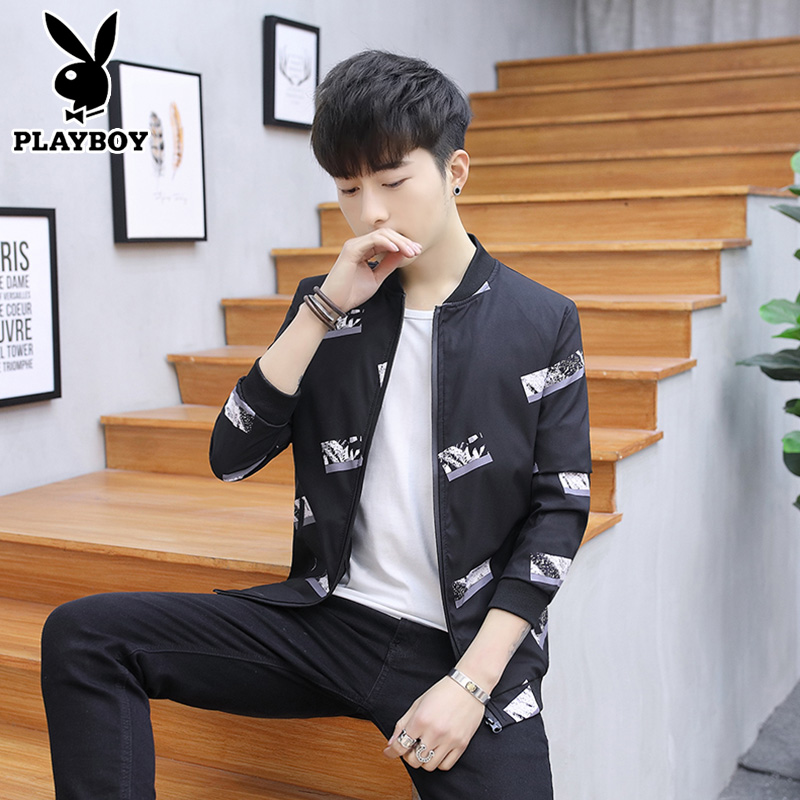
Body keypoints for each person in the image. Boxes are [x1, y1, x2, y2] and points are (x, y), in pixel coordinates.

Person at [40, 50, 591, 799]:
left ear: (455, 170)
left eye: (392, 182)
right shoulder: (330, 304)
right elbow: (231, 455)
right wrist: (324, 309)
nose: (371, 213)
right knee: (84, 635)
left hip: (460, 648)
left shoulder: (541, 320)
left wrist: (470, 684)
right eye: (348, 189)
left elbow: (559, 513)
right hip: (329, 622)